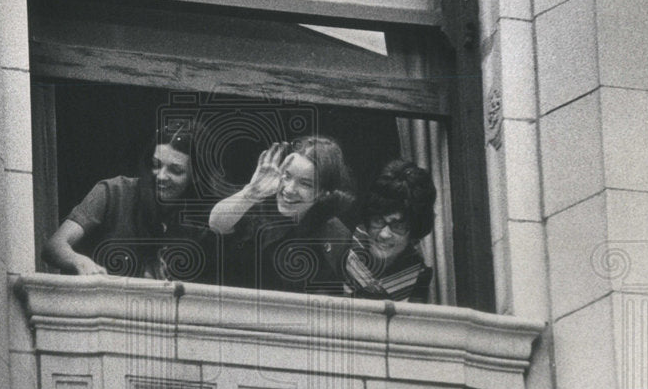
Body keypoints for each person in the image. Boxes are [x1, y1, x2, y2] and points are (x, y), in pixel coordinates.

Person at [43, 126, 212, 283]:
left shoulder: (199, 220)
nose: (161, 176)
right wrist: (79, 262)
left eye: (175, 170)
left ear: (196, 176)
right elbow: (54, 246)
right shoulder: (113, 191)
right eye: (156, 165)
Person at [208, 136, 353, 294]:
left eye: (305, 183)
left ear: (324, 193)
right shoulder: (258, 203)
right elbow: (216, 224)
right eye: (287, 175)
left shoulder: (337, 235)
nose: (289, 189)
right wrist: (250, 193)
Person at [343, 159, 437, 303]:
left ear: (414, 231)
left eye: (398, 226)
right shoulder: (340, 250)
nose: (384, 234)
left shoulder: (418, 275)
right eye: (378, 221)